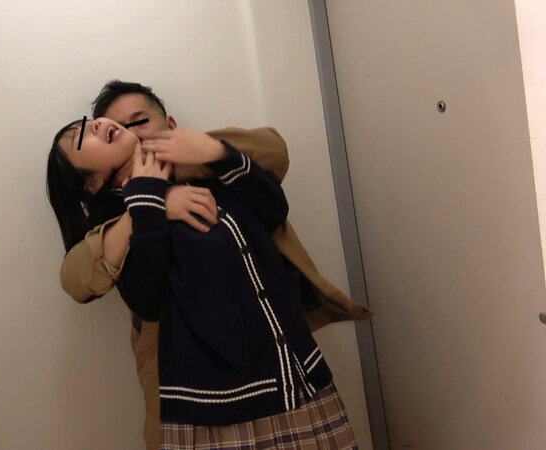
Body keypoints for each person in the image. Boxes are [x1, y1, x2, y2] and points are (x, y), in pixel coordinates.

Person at [55, 81, 374, 449]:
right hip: (210, 409)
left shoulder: (222, 179)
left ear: (172, 127)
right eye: (87, 133)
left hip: (292, 378)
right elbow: (139, 296)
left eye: (140, 121)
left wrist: (214, 153)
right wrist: (150, 202)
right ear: (94, 182)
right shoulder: (120, 227)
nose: (124, 130)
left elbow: (274, 205)